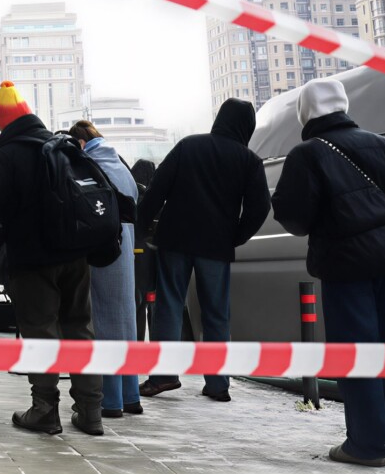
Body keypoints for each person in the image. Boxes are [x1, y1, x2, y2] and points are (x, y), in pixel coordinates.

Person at [272, 79, 385, 467]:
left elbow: (296, 217)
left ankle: (369, 445)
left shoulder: (308, 154)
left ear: (306, 112)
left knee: (356, 353)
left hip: (348, 265)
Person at [0, 82, 104, 436]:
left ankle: (45, 409)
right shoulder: (60, 146)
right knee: (80, 328)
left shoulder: (8, 153)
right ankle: (91, 411)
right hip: (75, 254)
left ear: (4, 123)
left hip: (33, 259)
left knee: (41, 331)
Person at [136, 99, 270, 402]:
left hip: (176, 240)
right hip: (216, 245)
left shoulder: (189, 146)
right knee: (216, 313)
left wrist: (143, 227)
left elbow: (158, 188)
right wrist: (235, 236)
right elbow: (260, 208)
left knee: (169, 305)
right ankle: (218, 383)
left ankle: (162, 377)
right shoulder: (249, 160)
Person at [68, 121, 142, 419]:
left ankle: (109, 400)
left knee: (103, 320)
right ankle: (130, 394)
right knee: (126, 320)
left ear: (81, 143)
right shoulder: (119, 163)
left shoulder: (92, 164)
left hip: (103, 248)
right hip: (125, 248)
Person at [130, 159, 158, 341]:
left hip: (135, 257)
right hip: (152, 258)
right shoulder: (152, 197)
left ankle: (136, 348)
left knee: (137, 307)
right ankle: (157, 356)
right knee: (154, 307)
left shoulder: (130, 195)